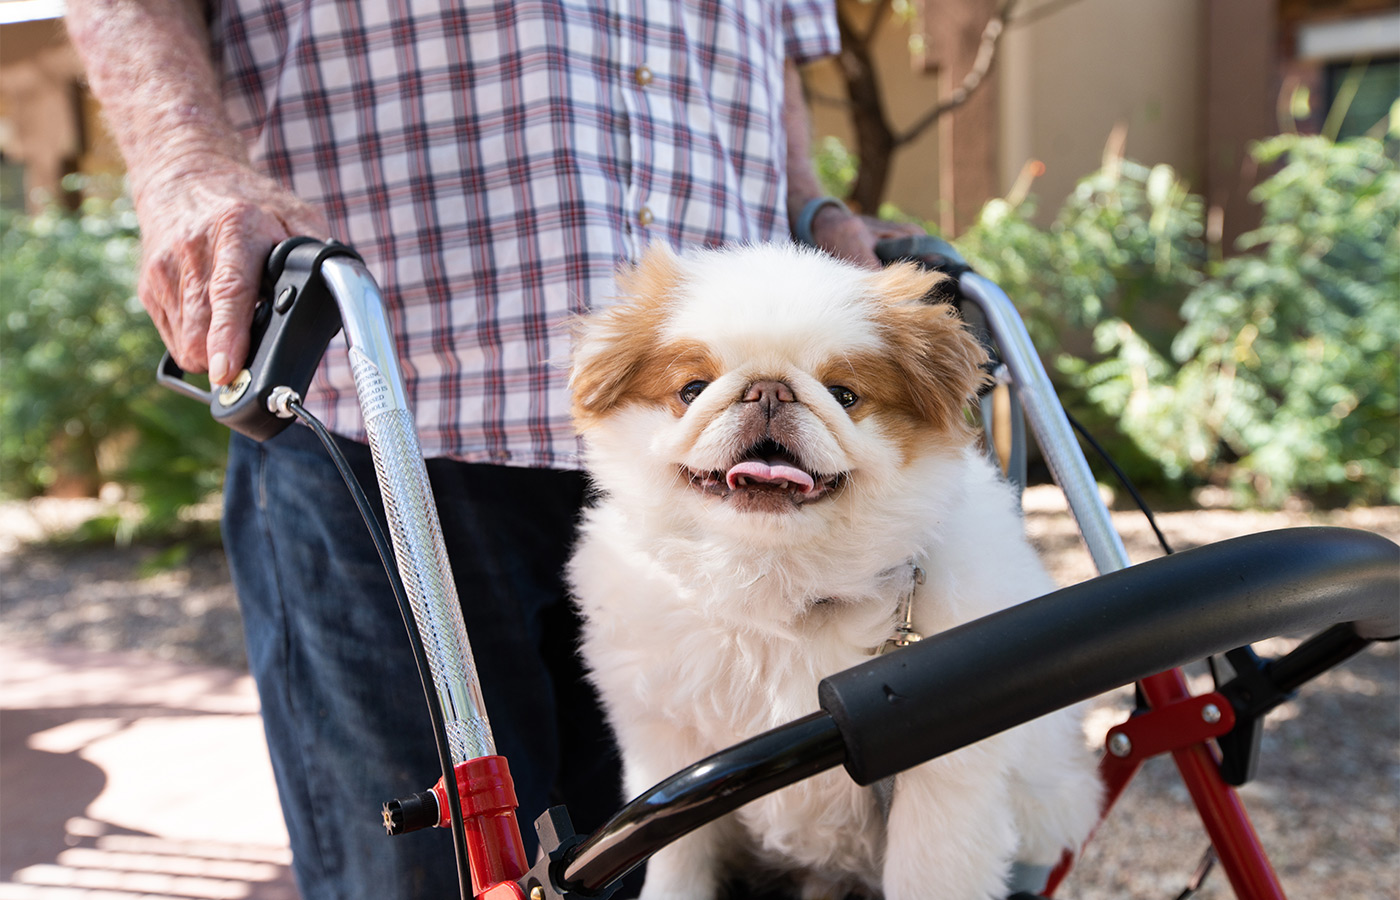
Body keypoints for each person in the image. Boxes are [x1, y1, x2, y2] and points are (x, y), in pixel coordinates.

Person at [65, 2, 908, 897]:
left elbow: (761, 41)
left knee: (706, 867)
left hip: (709, 472)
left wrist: (811, 204)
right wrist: (182, 166)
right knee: (425, 877)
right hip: (387, 425)